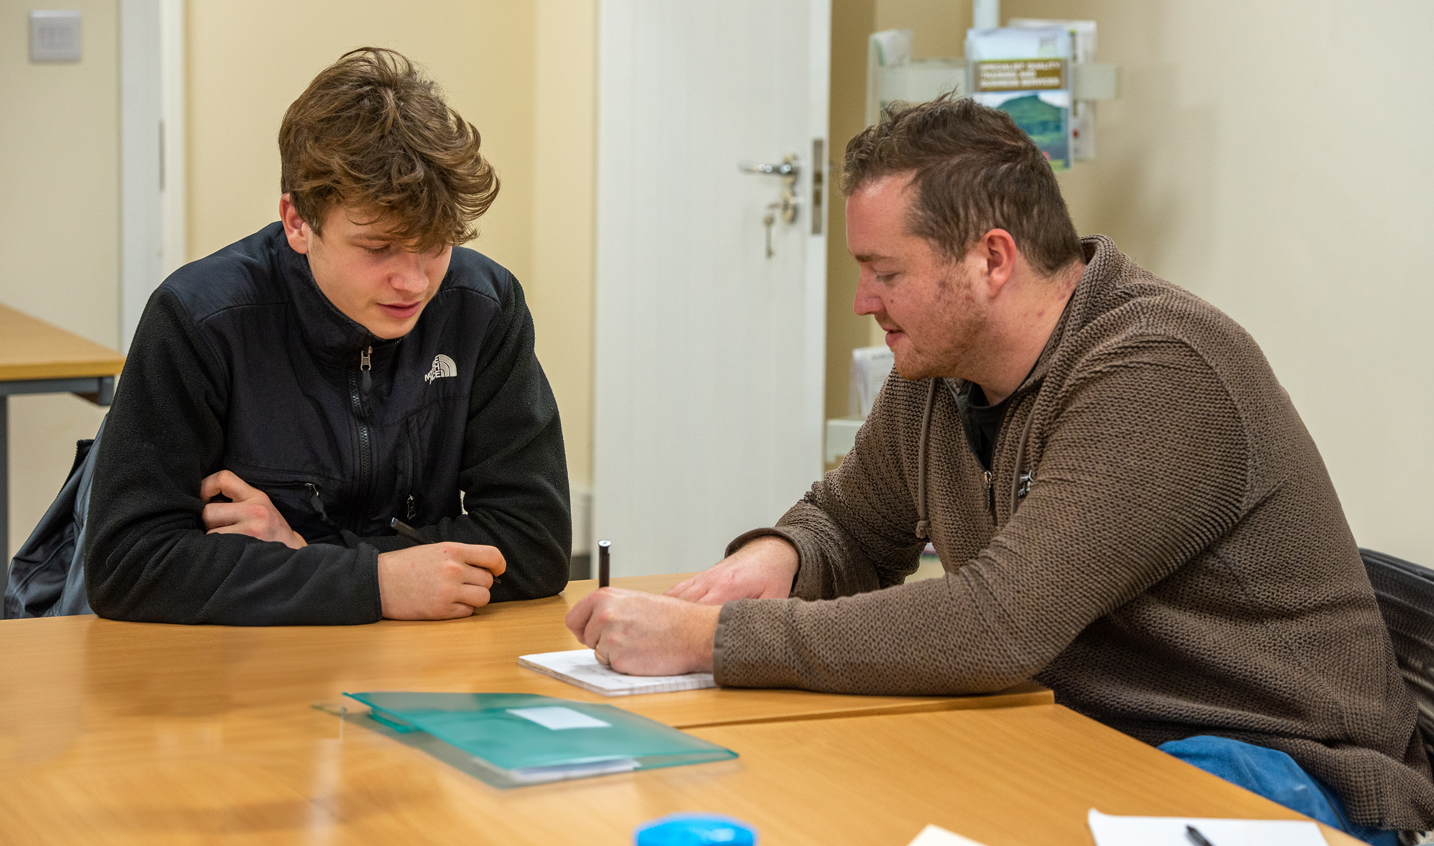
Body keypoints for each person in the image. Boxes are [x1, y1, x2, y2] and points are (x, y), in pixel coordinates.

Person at [566, 96, 1434, 840]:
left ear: (990, 259)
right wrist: (780, 557)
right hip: (1089, 737)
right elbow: (849, 524)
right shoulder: (941, 367)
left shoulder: (1161, 370)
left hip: (1282, 771)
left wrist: (713, 642)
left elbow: (995, 625)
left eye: (884, 272)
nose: (864, 301)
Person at [86, 47, 571, 625]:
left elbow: (535, 542)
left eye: (438, 243)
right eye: (378, 248)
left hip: (423, 669)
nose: (414, 282)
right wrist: (372, 582)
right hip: (237, 681)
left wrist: (317, 561)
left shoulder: (483, 307)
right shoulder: (199, 319)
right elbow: (127, 564)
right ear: (297, 222)